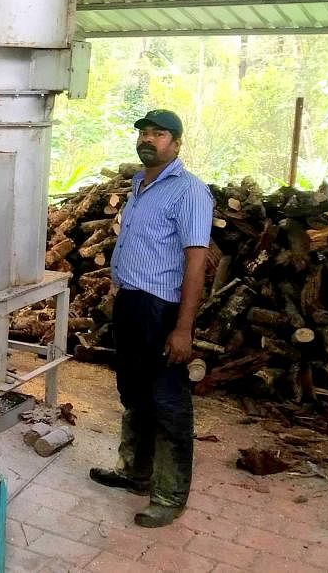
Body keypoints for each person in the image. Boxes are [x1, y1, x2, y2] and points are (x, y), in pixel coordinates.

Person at [89, 109, 214, 528]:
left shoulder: (189, 192)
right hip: (132, 304)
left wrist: (183, 328)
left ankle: (170, 495)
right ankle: (135, 473)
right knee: (134, 392)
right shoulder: (140, 185)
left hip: (162, 310)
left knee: (167, 402)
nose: (148, 138)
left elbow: (196, 265)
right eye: (143, 131)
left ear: (176, 143)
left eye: (159, 133)